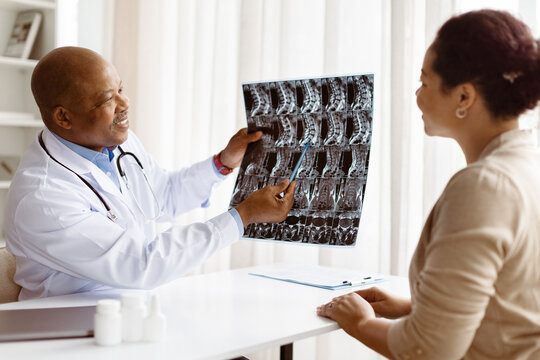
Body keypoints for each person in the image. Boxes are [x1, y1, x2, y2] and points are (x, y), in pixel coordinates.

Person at [317, 10, 540, 359]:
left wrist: (359, 322)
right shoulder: (528, 162)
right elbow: (513, 306)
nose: (417, 95)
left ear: (464, 97)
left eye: (425, 82)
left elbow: (430, 350)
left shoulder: (484, 186)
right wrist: (413, 308)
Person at [4, 46, 296, 300]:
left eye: (121, 88)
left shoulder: (116, 143)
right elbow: (141, 263)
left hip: (132, 313)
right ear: (63, 117)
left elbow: (163, 196)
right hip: (70, 332)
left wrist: (224, 162)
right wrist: (242, 217)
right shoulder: (43, 196)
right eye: (107, 99)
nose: (125, 103)